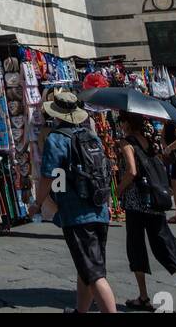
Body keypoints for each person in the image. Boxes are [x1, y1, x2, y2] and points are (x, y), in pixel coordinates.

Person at [31, 88, 116, 314]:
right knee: (87, 266)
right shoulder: (92, 136)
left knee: (95, 273)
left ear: (56, 114)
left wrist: (37, 203)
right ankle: (81, 311)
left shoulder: (56, 139)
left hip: (76, 214)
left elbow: (49, 176)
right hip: (99, 210)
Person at [118, 112, 176, 311]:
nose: (121, 125)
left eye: (122, 121)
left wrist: (118, 191)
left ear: (127, 123)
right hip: (155, 200)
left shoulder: (126, 142)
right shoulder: (150, 141)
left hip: (136, 203)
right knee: (164, 244)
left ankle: (143, 296)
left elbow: (131, 172)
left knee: (136, 247)